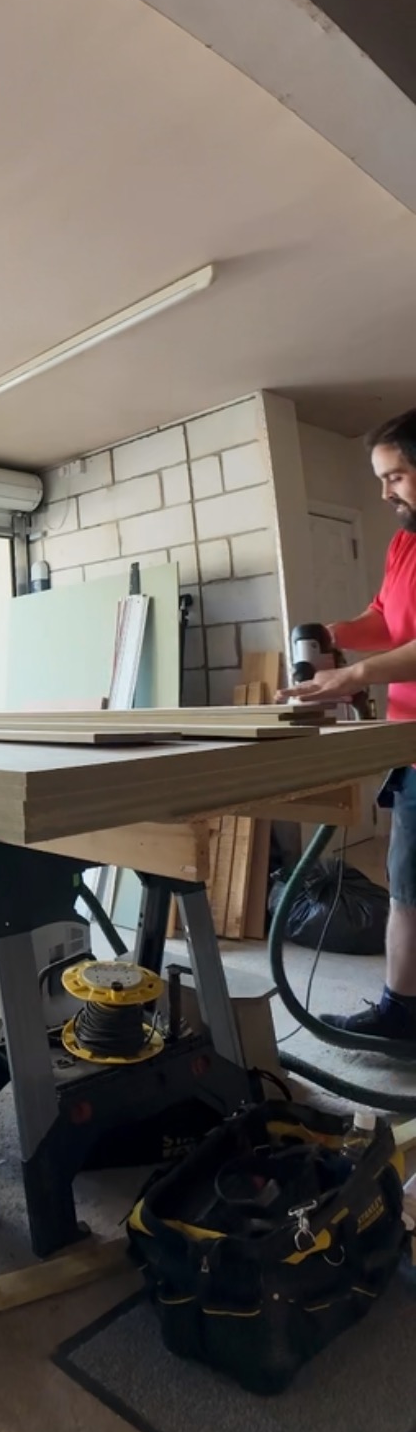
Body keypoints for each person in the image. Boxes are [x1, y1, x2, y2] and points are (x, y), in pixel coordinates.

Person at [277, 410, 416, 1039]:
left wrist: (352, 677)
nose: (386, 493)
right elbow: (387, 619)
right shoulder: (404, 542)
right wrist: (334, 636)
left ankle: (401, 1012)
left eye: (398, 476)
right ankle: (403, 1012)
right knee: (407, 883)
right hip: (409, 741)